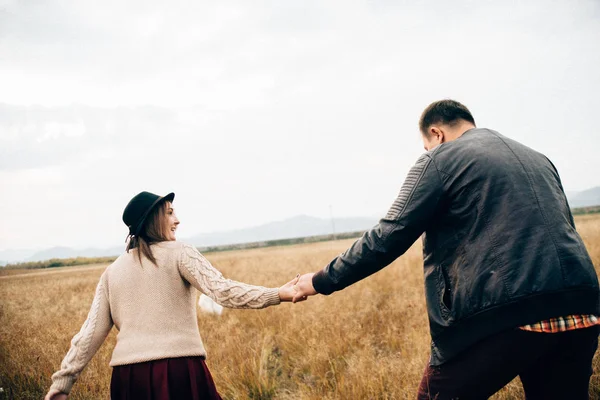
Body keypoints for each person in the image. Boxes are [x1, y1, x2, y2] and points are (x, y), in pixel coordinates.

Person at [292, 99, 600, 399]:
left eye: (427, 146)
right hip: (582, 309)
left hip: (505, 315)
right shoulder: (539, 158)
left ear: (436, 134)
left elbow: (389, 236)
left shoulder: (440, 158)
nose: (427, 152)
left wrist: (319, 280)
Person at [44, 191, 299, 400]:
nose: (177, 220)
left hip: (128, 380)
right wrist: (278, 294)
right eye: (169, 213)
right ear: (153, 219)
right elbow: (222, 291)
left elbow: (89, 334)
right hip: (178, 371)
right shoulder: (180, 253)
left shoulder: (112, 271)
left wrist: (62, 383)